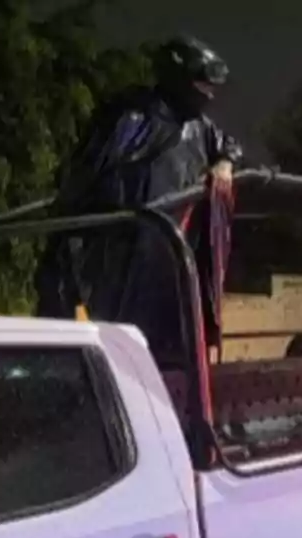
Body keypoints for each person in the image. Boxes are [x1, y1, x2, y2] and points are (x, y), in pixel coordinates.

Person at [35, 33, 242, 357]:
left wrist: (225, 163)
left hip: (171, 256)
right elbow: (84, 176)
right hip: (124, 257)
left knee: (169, 347)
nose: (209, 94)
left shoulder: (199, 127)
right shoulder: (132, 117)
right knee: (125, 345)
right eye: (202, 83)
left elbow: (226, 144)